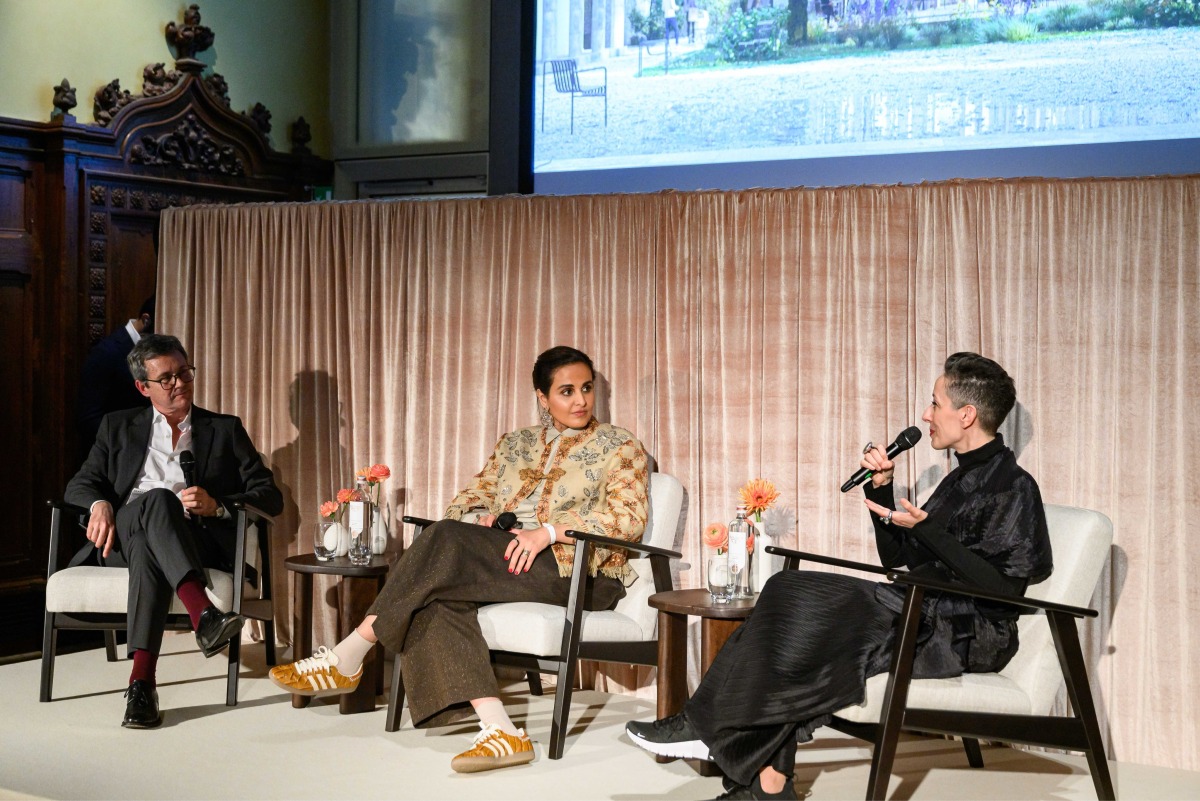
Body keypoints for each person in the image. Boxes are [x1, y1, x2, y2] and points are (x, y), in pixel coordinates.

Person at [626, 353, 1053, 800]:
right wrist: (882, 488)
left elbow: (1005, 589)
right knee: (788, 607)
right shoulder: (959, 479)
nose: (926, 414)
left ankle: (710, 731)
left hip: (966, 630)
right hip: (919, 607)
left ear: (966, 414)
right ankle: (763, 779)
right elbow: (898, 559)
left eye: (935, 402)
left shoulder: (1014, 485)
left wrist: (926, 528)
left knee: (793, 595)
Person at [269, 345, 650, 773]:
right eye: (566, 391)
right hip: (504, 559)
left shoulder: (619, 445)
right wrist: (480, 517)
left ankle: (352, 651)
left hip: (578, 570)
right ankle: (500, 729)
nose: (580, 400)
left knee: (443, 540)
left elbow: (628, 518)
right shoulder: (515, 443)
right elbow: (469, 497)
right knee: (437, 592)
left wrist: (548, 532)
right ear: (542, 397)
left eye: (586, 388)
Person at [65, 334, 284, 729]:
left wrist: (217, 504)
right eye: (165, 378)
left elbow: (269, 496)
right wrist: (99, 505)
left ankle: (141, 686)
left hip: (190, 540)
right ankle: (205, 615)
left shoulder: (224, 428)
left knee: (154, 540)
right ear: (142, 387)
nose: (179, 383)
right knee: (159, 500)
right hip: (122, 538)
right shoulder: (117, 427)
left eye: (184, 372)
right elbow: (80, 484)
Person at [77, 296, 155, 462]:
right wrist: (123, 448)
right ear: (146, 320)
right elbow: (90, 417)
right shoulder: (107, 352)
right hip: (116, 456)